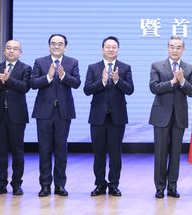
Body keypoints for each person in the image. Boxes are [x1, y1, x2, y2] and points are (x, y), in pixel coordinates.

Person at [31, 34, 81, 197]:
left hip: (63, 112)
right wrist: (49, 76)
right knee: (44, 149)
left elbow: (77, 83)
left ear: (65, 47)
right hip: (44, 112)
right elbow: (33, 83)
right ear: (49, 46)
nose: (57, 46)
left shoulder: (72, 62)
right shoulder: (40, 62)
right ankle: (45, 185)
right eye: (53, 43)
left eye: (60, 44)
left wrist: (63, 75)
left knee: (61, 150)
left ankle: (60, 185)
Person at [84, 36, 134, 197]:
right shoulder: (93, 68)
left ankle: (114, 185)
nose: (111, 49)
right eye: (108, 47)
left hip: (117, 117)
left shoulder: (125, 68)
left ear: (118, 50)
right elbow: (87, 90)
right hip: (98, 117)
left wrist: (117, 80)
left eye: (114, 47)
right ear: (102, 49)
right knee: (98, 153)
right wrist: (103, 81)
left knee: (115, 153)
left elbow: (130, 90)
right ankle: (99, 184)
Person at [149, 36, 192, 198]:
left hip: (179, 116)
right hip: (160, 115)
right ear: (167, 48)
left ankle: (172, 187)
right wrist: (172, 82)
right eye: (172, 47)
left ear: (183, 50)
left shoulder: (189, 69)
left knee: (176, 153)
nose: (174, 50)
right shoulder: (157, 66)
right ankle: (160, 187)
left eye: (178, 47)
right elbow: (154, 87)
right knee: (160, 152)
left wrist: (182, 81)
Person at [0, 40, 31, 196]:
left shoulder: (26, 68)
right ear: (4, 51)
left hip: (17, 116)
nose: (11, 51)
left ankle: (17, 185)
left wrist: (8, 80)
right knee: (0, 152)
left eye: (15, 49)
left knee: (17, 151)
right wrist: (1, 82)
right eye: (8, 48)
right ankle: (0, 184)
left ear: (20, 52)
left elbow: (24, 87)